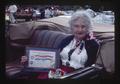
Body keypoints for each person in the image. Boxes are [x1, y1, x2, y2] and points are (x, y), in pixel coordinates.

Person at [15, 11, 99, 79]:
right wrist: (30, 60)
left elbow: (90, 69)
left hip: (75, 75)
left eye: (83, 26)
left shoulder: (93, 44)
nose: (79, 30)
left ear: (88, 28)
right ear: (71, 27)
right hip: (57, 71)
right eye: (76, 26)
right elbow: (52, 59)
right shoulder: (67, 40)